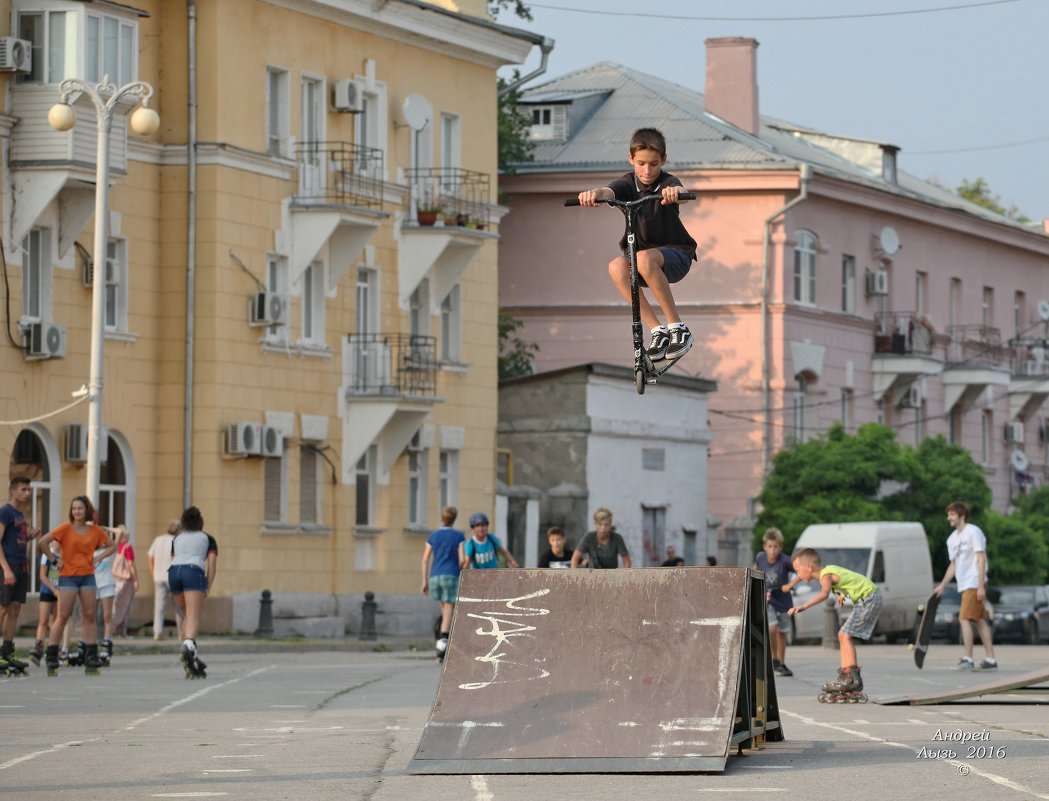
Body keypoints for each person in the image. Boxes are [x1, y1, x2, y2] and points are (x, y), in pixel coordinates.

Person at [576, 127, 697, 363]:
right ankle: (658, 332)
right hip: (642, 262)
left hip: (676, 256)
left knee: (643, 258)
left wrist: (675, 193)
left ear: (663, 159)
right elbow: (608, 190)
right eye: (641, 163)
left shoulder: (667, 182)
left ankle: (677, 328)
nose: (647, 170)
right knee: (616, 266)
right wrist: (594, 194)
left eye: (653, 164)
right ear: (631, 158)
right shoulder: (628, 183)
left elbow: (681, 189)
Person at [789, 548, 883, 699]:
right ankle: (847, 675)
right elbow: (847, 579)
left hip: (868, 598)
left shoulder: (825, 575)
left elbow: (823, 593)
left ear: (809, 567)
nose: (798, 575)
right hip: (869, 597)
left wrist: (804, 606)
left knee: (845, 635)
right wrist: (841, 594)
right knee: (843, 635)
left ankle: (851, 679)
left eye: (798, 571)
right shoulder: (829, 571)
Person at [37, 496, 115, 675]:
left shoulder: (95, 531)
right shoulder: (65, 528)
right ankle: (52, 655)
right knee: (63, 616)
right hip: (68, 578)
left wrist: (97, 557)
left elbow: (112, 545)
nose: (77, 512)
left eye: (80, 508)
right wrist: (53, 561)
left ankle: (91, 655)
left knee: (89, 616)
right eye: (74, 509)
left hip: (87, 576)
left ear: (86, 510)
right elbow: (43, 542)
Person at [935, 501, 997, 670]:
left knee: (964, 618)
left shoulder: (973, 532)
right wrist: (942, 585)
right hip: (964, 584)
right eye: (948, 514)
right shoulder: (952, 539)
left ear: (962, 516)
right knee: (979, 620)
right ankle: (991, 659)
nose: (949, 518)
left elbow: (981, 558)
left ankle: (968, 658)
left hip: (974, 581)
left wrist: (981, 586)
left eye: (952, 514)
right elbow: (953, 565)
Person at [169, 506, 218, 678]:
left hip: (174, 573)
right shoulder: (208, 538)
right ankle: (189, 649)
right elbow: (211, 565)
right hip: (192, 571)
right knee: (193, 616)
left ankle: (189, 656)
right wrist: (207, 587)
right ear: (200, 522)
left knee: (186, 616)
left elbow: (174, 559)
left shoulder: (177, 538)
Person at [0, 475, 41, 675]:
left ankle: (6, 651)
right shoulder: (5, 512)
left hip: (21, 566)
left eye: (28, 490)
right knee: (2, 607)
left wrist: (30, 537)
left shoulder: (20, 514)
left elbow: (16, 540)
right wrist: (6, 568)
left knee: (15, 609)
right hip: (7, 566)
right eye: (24, 489)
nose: (27, 493)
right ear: (13, 490)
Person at [421, 506, 465, 660]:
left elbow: (425, 559)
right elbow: (461, 560)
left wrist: (424, 581)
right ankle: (442, 643)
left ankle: (441, 644)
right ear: (454, 519)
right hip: (450, 575)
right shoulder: (458, 536)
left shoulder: (433, 536)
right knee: (448, 611)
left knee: (444, 609)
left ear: (442, 518)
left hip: (435, 576)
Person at [754, 528, 796, 677]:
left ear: (781, 547)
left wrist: (789, 585)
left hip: (783, 601)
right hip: (769, 600)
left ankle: (781, 663)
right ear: (765, 546)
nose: (772, 550)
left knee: (782, 632)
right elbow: (756, 570)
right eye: (770, 546)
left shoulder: (785, 560)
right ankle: (775, 659)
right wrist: (757, 586)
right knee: (772, 628)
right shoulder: (760, 557)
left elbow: (802, 572)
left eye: (776, 546)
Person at [148, 520, 184, 640]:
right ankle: (182, 633)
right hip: (173, 577)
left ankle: (157, 633)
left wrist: (153, 572)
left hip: (158, 576)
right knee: (179, 605)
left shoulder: (158, 539)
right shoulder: (178, 541)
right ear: (179, 530)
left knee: (159, 606)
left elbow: (150, 556)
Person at [29, 543, 61, 666]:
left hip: (60, 591)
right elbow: (42, 575)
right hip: (48, 591)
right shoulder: (47, 555)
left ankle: (53, 650)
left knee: (57, 621)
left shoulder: (63, 555)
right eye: (57, 541)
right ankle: (38, 649)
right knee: (43, 620)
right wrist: (53, 589)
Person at [93, 528, 118, 664]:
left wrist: (106, 529)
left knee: (107, 616)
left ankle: (107, 644)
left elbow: (121, 533)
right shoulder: (90, 550)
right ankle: (92, 645)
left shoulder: (110, 550)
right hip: (92, 585)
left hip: (106, 584)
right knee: (91, 617)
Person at [112, 525, 139, 637]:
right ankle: (121, 631)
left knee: (115, 604)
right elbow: (131, 564)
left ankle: (112, 629)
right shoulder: (127, 547)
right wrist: (136, 579)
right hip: (125, 580)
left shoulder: (114, 547)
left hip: (115, 578)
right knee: (125, 605)